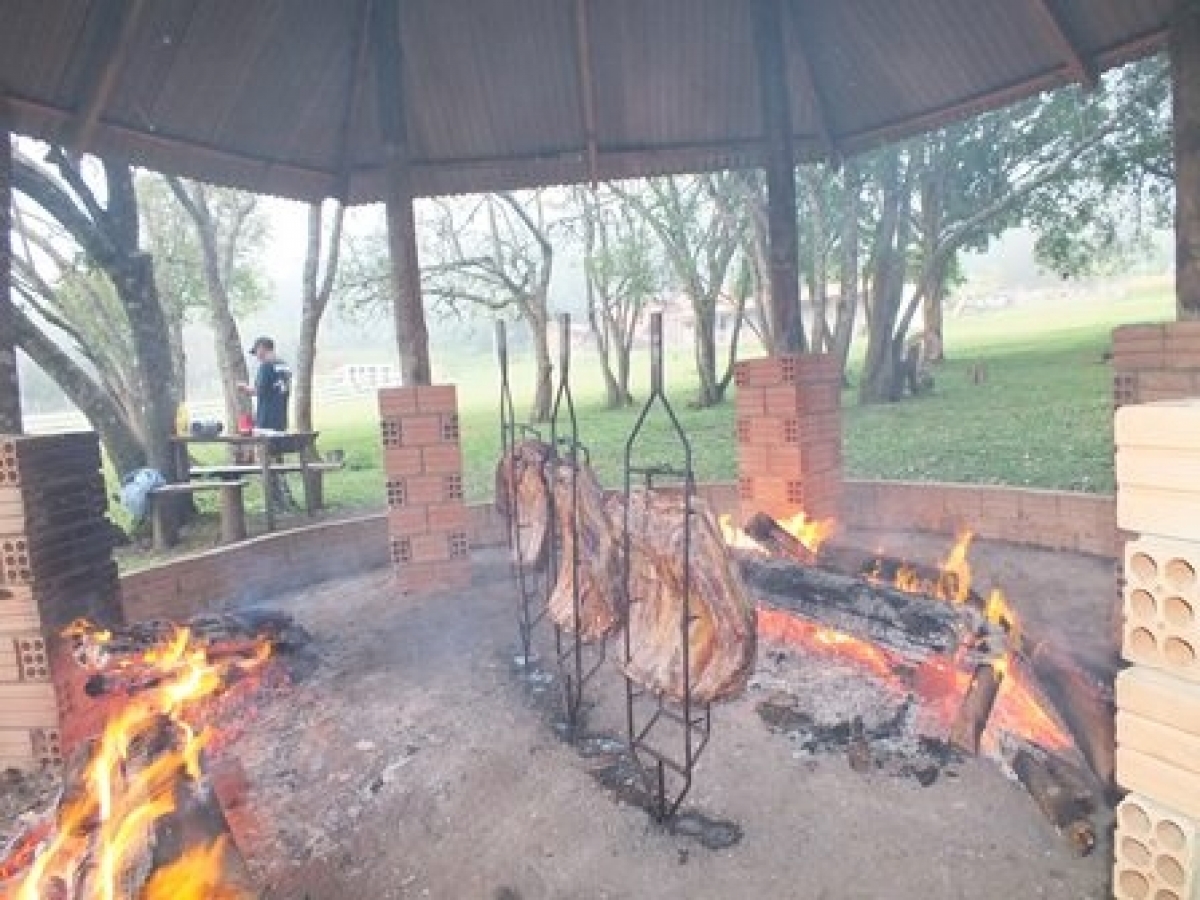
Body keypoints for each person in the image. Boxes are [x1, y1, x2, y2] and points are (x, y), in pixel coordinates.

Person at [240, 336, 292, 432]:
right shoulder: (284, 366)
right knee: (280, 446)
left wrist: (245, 388)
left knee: (266, 446)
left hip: (266, 419)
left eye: (256, 352)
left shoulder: (266, 366)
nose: (256, 356)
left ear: (262, 348)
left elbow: (259, 391)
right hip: (281, 419)